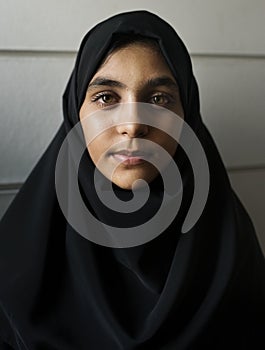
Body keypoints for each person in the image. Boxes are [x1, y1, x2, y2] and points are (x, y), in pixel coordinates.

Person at [0, 10, 264, 350]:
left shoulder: (230, 250)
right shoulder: (17, 260)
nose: (133, 124)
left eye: (159, 99)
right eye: (106, 97)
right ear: (74, 113)